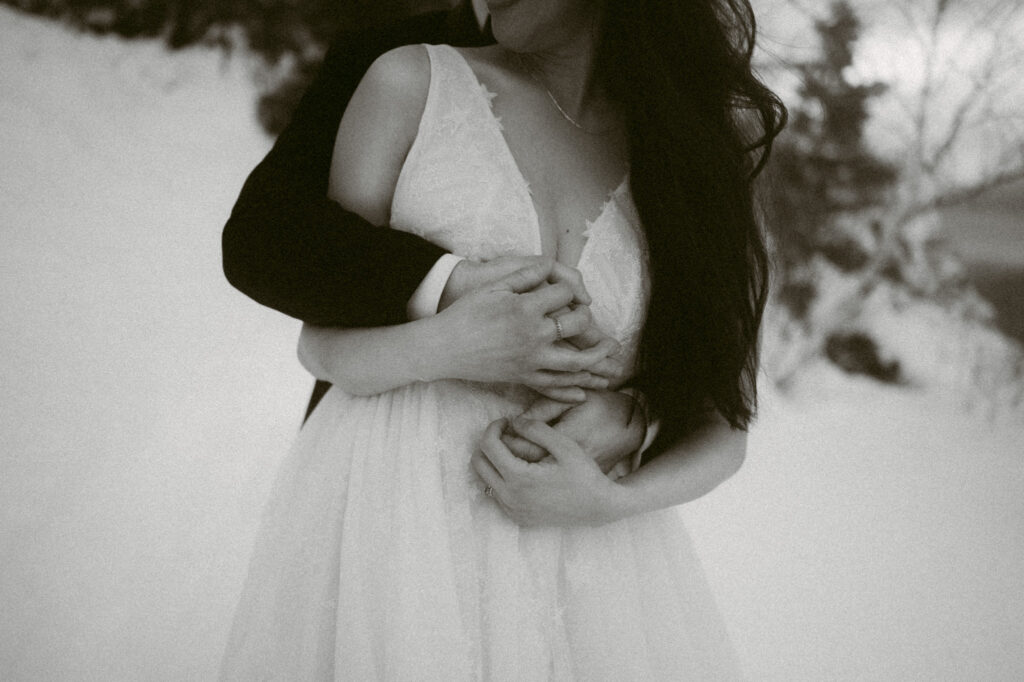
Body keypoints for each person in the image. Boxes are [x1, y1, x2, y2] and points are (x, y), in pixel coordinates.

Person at [221, 0, 785, 679]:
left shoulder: (702, 147)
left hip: (582, 557)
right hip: (393, 531)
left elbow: (725, 414)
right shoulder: (406, 80)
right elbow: (318, 339)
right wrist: (452, 341)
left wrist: (616, 482)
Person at [222, 0, 652, 474]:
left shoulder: (683, 124)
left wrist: (642, 417)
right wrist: (449, 286)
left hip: (576, 506)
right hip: (381, 472)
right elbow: (262, 240)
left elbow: (714, 373)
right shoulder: (393, 62)